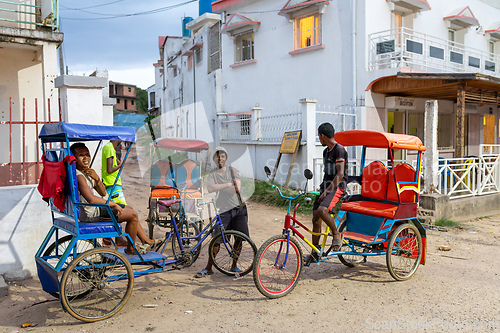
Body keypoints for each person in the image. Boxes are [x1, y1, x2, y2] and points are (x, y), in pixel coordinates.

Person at [71, 142, 162, 255]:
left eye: (87, 154)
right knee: (133, 215)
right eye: (81, 155)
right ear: (74, 158)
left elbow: (103, 192)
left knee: (129, 208)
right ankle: (131, 248)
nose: (86, 158)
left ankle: (146, 240)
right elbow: (91, 199)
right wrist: (113, 204)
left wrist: (97, 179)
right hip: (92, 214)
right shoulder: (79, 176)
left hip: (93, 210)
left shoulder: (86, 173)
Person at [195, 147, 249, 278]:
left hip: (239, 209)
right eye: (217, 156)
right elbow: (210, 188)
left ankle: (234, 265)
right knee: (217, 239)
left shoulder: (233, 171)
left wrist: (221, 186)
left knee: (239, 238)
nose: (220, 159)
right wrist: (227, 185)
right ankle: (208, 267)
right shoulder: (212, 173)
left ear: (226, 158)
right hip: (223, 210)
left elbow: (236, 188)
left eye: (223, 156)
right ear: (214, 159)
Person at [309, 123, 348, 259]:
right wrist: (322, 190)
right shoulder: (326, 151)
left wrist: (326, 192)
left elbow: (340, 174)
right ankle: (315, 252)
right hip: (326, 185)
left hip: (338, 186)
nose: (319, 138)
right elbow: (327, 173)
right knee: (315, 218)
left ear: (322, 136)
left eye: (319, 136)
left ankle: (336, 234)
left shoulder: (340, 150)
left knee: (322, 211)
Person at [102, 140, 127, 205]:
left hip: (111, 182)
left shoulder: (108, 147)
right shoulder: (109, 148)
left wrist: (118, 162)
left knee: (116, 207)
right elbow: (109, 170)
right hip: (112, 182)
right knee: (122, 207)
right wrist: (120, 165)